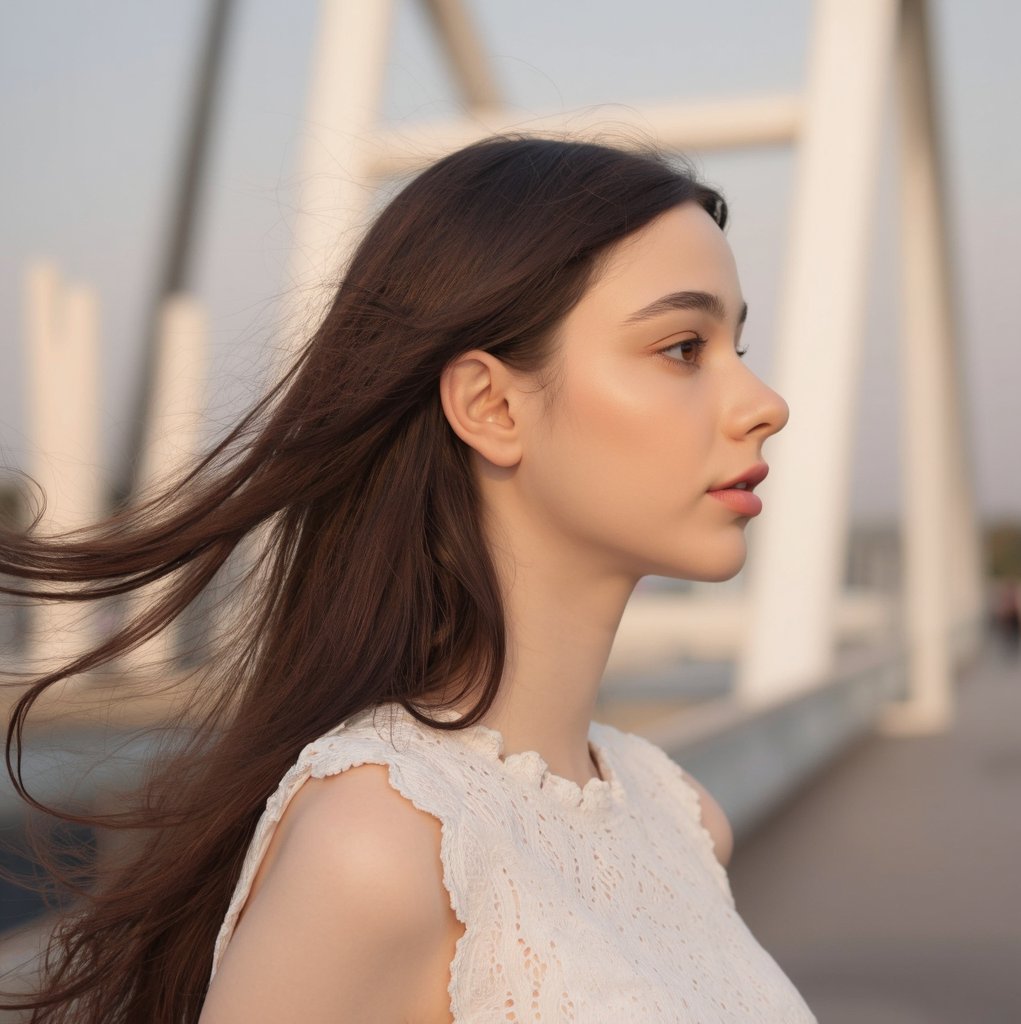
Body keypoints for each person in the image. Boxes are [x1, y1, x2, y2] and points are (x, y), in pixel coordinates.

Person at [0, 135, 816, 1022]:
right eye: (683, 348)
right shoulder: (382, 845)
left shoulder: (680, 817)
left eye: (738, 343)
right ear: (491, 406)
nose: (763, 402)